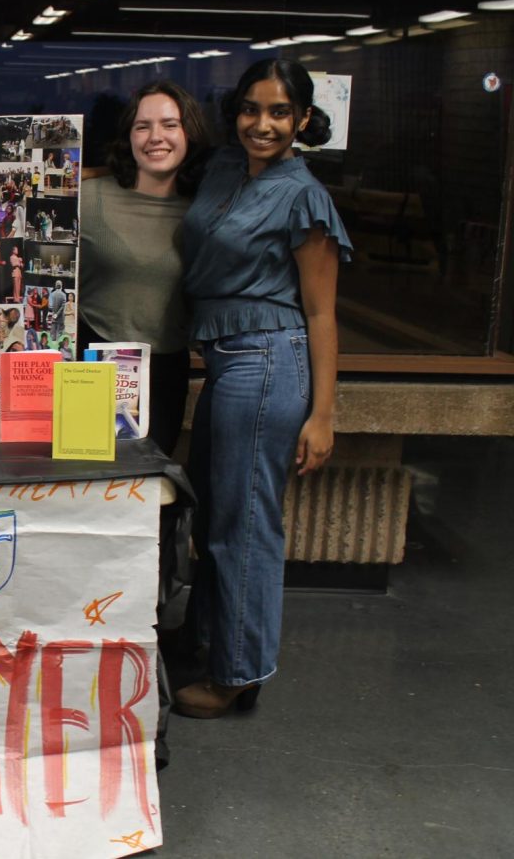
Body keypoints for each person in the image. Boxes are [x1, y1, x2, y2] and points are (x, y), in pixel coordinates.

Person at [177, 59, 352, 718]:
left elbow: (321, 313)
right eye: (252, 109)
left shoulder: (305, 195)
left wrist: (323, 414)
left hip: (270, 360)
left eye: (280, 112)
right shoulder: (222, 168)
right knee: (216, 515)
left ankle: (238, 674)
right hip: (226, 361)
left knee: (244, 523)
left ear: (303, 120)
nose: (263, 124)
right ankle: (208, 644)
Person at [78, 80, 210, 457]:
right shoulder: (88, 199)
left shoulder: (205, 210)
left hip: (165, 371)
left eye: (170, 124)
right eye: (142, 126)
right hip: (94, 361)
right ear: (128, 136)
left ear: (189, 133)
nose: (156, 137)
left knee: (147, 496)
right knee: (91, 488)